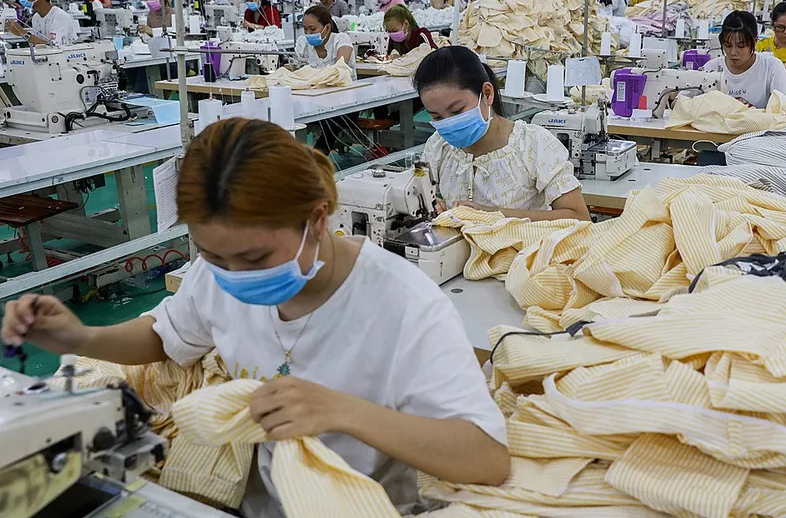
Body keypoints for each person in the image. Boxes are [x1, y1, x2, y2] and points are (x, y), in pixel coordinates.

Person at [2, 117, 510, 516]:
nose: (232, 277)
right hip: (255, 503)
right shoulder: (216, 274)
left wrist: (341, 411)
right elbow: (165, 337)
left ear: (316, 219)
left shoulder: (403, 304)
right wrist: (79, 335)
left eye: (253, 260)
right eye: (212, 255)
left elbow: (484, 456)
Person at [416, 47, 591, 222]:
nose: (449, 123)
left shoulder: (533, 145)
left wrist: (492, 215)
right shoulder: (438, 147)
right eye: (437, 117)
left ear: (487, 93)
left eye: (456, 111)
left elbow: (579, 217)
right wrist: (432, 205)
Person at [702, 10, 786, 108]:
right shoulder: (711, 68)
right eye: (728, 45)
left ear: (755, 41)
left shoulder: (771, 66)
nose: (733, 52)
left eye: (741, 46)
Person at [5, 0, 79, 45]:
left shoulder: (59, 17)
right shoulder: (36, 18)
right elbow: (41, 47)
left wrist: (23, 33)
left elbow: (54, 48)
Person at [296, 5, 355, 77]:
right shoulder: (303, 45)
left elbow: (340, 69)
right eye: (305, 29)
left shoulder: (341, 40)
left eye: (313, 29)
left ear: (327, 28)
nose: (308, 33)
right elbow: (298, 72)